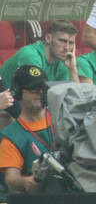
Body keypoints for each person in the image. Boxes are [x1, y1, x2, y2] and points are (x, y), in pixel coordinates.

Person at [0, 66, 54, 194]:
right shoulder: (12, 136)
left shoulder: (61, 119)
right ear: (18, 93)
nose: (40, 92)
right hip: (39, 202)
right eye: (33, 89)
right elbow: (11, 179)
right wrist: (27, 182)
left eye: (43, 88)